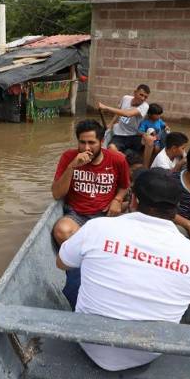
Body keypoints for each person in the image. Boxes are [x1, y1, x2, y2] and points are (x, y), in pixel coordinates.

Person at [56, 168, 190, 371]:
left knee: (79, 263)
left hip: (89, 342)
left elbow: (61, 263)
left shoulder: (98, 227)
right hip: (148, 352)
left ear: (134, 200)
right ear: (177, 207)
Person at [52, 119, 130, 308]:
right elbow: (57, 193)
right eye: (82, 142)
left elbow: (124, 186)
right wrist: (72, 166)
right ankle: (89, 263)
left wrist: (117, 200)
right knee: (61, 230)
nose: (86, 147)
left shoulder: (117, 160)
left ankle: (89, 260)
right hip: (77, 214)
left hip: (105, 216)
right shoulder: (68, 157)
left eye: (91, 143)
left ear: (101, 142)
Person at [97, 84, 150, 158]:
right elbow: (119, 112)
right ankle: (123, 158)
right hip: (119, 135)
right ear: (135, 92)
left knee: (143, 147)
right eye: (141, 95)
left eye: (145, 97)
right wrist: (111, 124)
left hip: (134, 135)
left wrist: (106, 107)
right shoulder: (125, 98)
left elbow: (128, 114)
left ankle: (127, 158)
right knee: (111, 148)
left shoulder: (145, 106)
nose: (143, 98)